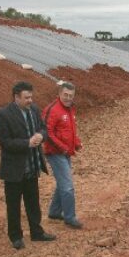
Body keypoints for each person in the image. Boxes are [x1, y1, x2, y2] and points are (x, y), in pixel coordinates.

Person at [0, 81, 56, 249]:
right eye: (26, 97)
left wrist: (41, 136)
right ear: (16, 97)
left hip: (32, 167)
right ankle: (15, 237)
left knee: (33, 202)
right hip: (14, 170)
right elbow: (5, 142)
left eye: (31, 97)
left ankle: (37, 232)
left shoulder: (35, 110)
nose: (30, 100)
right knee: (13, 205)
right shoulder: (3, 114)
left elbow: (44, 129)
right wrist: (27, 143)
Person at [42, 82, 83, 229]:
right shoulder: (53, 110)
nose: (68, 98)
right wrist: (63, 147)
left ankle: (54, 212)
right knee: (67, 186)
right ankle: (70, 217)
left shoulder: (70, 109)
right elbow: (47, 132)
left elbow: (70, 130)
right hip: (55, 153)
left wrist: (76, 143)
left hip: (65, 152)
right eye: (65, 95)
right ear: (59, 93)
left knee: (63, 182)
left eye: (71, 96)